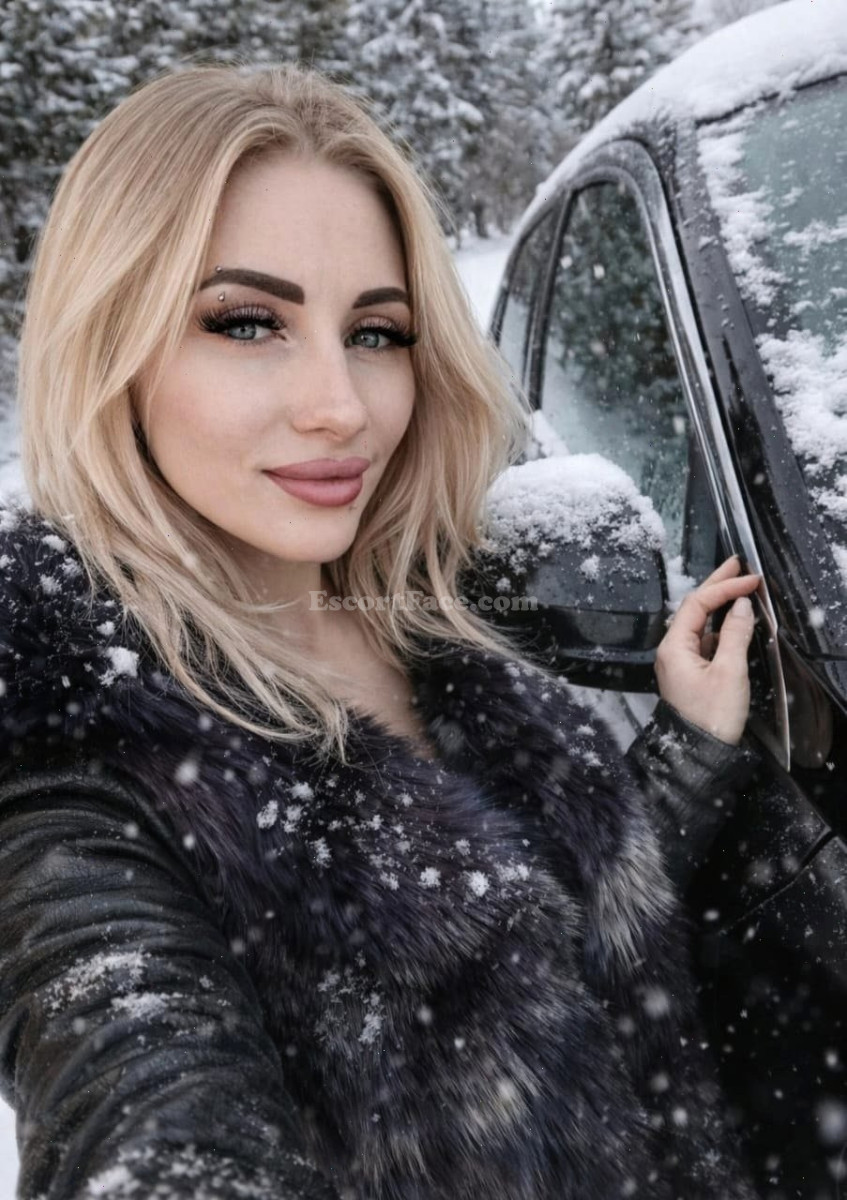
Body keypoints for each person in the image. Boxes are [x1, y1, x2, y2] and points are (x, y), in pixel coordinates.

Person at [0, 63, 762, 1200]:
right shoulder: (77, 770)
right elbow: (148, 1094)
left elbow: (549, 952)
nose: (342, 407)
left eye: (375, 331)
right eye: (247, 322)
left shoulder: (430, 623)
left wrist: (686, 751)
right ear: (110, 345)